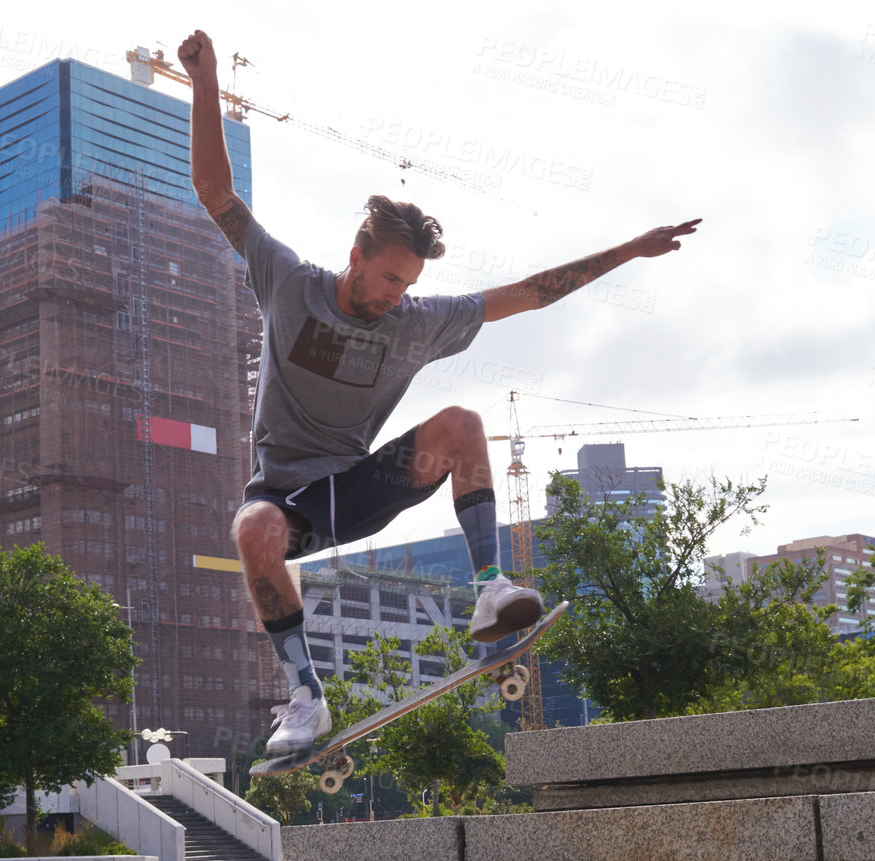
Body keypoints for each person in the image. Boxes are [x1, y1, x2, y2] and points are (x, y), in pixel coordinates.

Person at [179, 29, 700, 754]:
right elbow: (215, 194)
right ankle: (305, 693)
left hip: (360, 483)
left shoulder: (420, 321)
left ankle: (489, 585)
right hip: (288, 496)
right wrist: (203, 81)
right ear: (355, 256)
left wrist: (627, 250)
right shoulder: (287, 281)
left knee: (459, 421)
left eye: (409, 284)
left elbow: (528, 295)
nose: (397, 296)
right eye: (389, 278)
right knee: (251, 533)